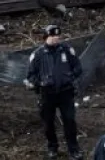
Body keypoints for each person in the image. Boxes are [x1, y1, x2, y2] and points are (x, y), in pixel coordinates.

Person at [24, 24, 84, 160]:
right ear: (46, 37)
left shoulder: (67, 50)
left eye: (58, 36)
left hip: (65, 92)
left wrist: (69, 77)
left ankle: (74, 150)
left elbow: (78, 67)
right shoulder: (38, 54)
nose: (56, 39)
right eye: (53, 37)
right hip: (47, 93)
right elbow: (30, 75)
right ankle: (52, 148)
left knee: (69, 120)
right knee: (48, 122)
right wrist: (40, 83)